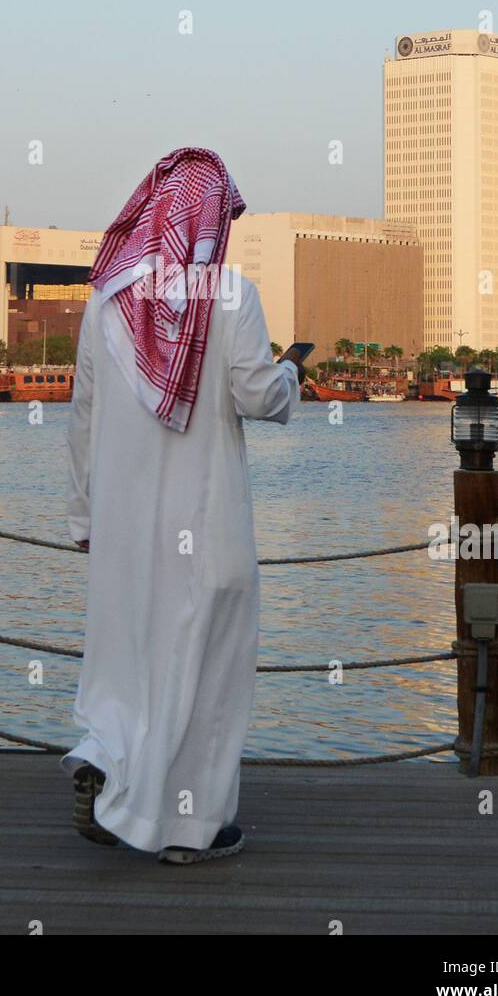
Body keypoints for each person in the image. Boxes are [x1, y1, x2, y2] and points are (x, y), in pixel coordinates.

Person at [61, 147, 302, 864]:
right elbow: (259, 395)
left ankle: (108, 762)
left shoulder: (104, 302)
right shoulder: (231, 295)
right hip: (208, 525)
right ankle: (190, 830)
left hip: (123, 532)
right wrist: (290, 371)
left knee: (128, 658)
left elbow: (80, 421)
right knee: (207, 665)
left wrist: (82, 517)